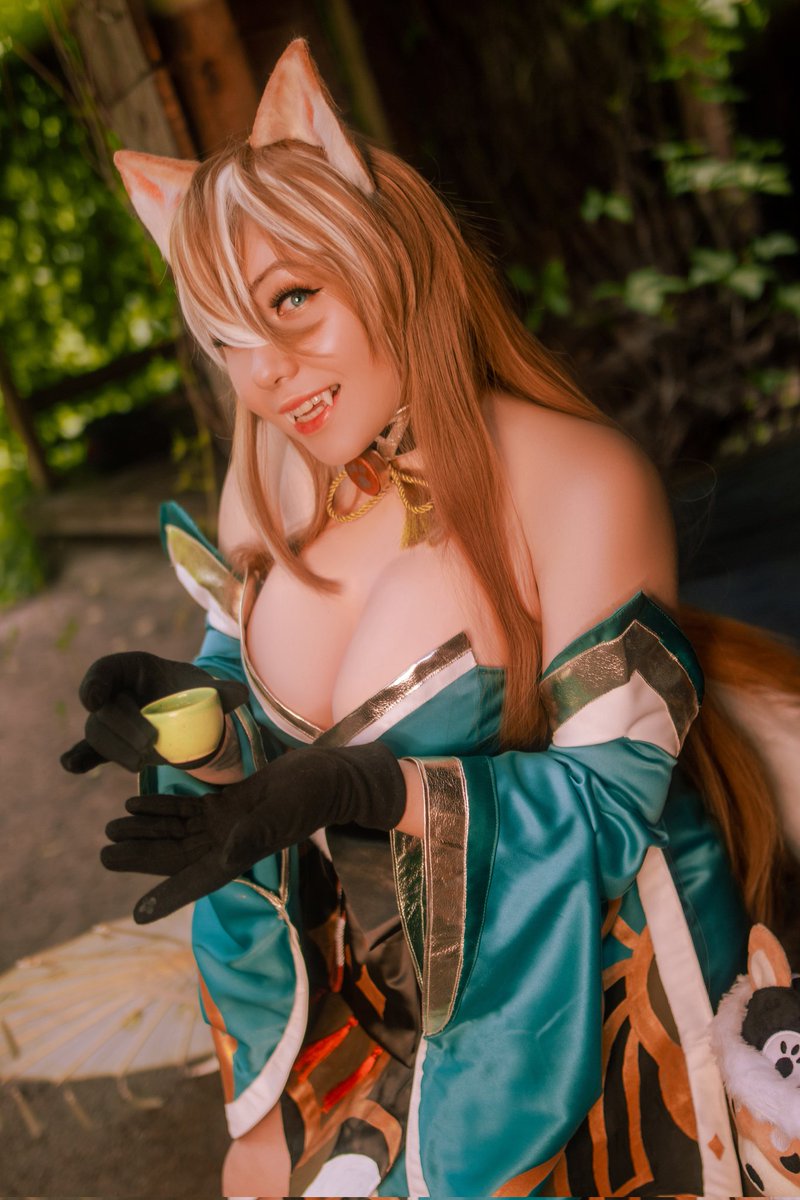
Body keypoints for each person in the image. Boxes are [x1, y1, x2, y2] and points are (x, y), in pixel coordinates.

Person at [61, 38, 798, 1197]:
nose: (267, 375)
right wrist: (192, 726)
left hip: (600, 1023)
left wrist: (366, 788)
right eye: (226, 340)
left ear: (386, 256)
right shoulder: (275, 500)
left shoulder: (576, 482)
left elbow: (608, 810)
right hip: (386, 1022)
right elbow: (262, 769)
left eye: (292, 299)